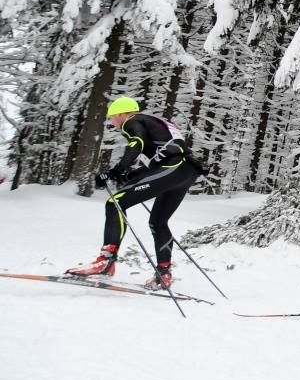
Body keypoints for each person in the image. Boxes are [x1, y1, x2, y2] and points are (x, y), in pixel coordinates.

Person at [66, 97, 203, 291]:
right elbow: (160, 159)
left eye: (112, 117)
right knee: (158, 222)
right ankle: (164, 273)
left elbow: (136, 144)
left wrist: (116, 171)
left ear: (121, 114)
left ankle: (106, 261)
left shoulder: (132, 121)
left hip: (173, 167)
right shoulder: (153, 123)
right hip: (185, 172)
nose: (113, 123)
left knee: (115, 203)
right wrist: (130, 176)